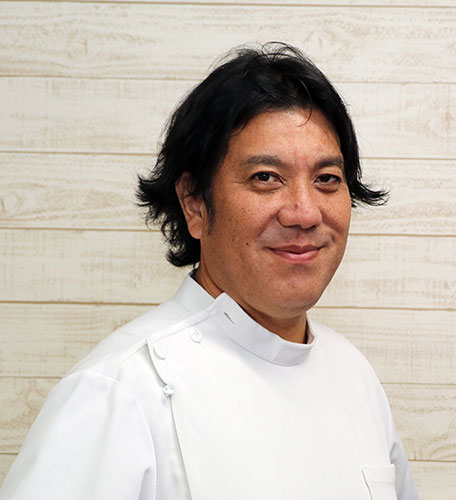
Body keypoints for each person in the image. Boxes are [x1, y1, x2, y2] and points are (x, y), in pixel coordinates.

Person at [0, 43, 419, 500]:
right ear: (194, 204)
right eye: (266, 177)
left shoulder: (354, 375)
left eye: (326, 179)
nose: (304, 212)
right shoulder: (120, 392)